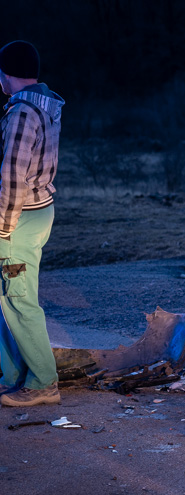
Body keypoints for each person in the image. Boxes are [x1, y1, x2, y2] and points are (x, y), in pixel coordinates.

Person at [0, 40, 64, 407]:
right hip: (39, 211)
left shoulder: (22, 112)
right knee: (9, 298)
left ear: (7, 75)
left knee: (20, 300)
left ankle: (43, 382)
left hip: (18, 217)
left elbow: (12, 174)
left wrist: (3, 227)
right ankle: (13, 375)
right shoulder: (48, 103)